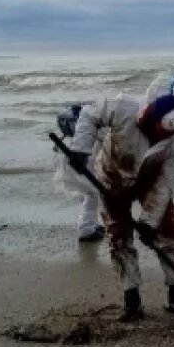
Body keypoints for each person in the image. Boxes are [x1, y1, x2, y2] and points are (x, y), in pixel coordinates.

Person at [69, 71, 174, 321]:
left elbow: (164, 185)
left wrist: (149, 221)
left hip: (149, 182)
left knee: (169, 231)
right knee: (118, 235)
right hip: (111, 177)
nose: (156, 136)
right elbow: (89, 115)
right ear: (147, 113)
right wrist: (80, 149)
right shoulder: (123, 108)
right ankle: (131, 297)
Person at [55, 104, 104, 243]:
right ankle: (86, 230)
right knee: (93, 194)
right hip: (80, 168)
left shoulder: (70, 138)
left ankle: (89, 225)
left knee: (89, 195)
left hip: (71, 168)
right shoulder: (88, 136)